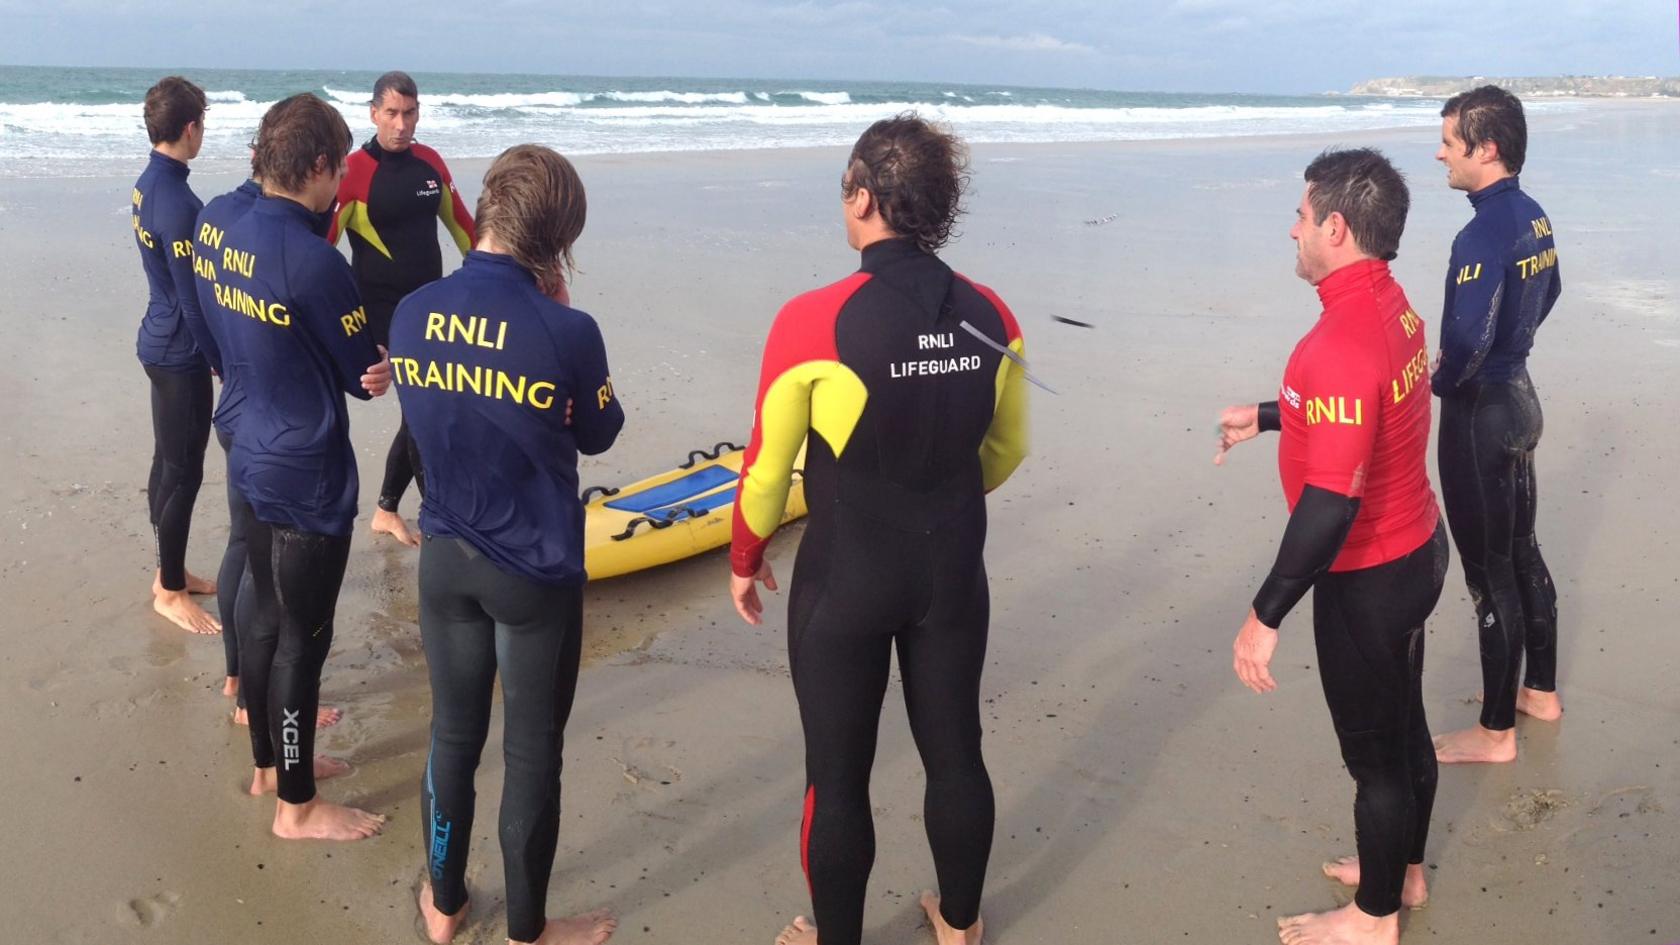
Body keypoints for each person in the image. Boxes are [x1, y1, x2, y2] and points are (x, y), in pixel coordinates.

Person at [728, 114, 1029, 945]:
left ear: (863, 197)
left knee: (837, 775)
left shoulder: (813, 321)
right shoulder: (991, 312)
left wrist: (745, 560)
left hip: (848, 577)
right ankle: (961, 924)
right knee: (956, 751)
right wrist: (936, 495)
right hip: (952, 572)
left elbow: (766, 472)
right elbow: (1007, 448)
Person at [390, 144, 622, 945]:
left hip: (445, 555)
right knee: (530, 756)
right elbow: (600, 430)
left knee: (452, 735)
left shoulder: (413, 311)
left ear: (485, 210)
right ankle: (527, 931)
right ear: (557, 244)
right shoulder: (568, 327)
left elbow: (423, 419)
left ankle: (445, 903)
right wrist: (553, 310)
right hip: (535, 572)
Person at [1216, 148, 1447, 945]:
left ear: (1337, 227)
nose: (1294, 228)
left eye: (1303, 216)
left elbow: (1328, 503)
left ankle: (1374, 917)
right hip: (1420, 546)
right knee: (1406, 724)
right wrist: (1269, 413)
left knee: (1376, 760)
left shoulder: (1340, 340)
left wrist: (1265, 610)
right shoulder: (1392, 303)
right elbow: (1366, 404)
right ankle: (1403, 870)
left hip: (1370, 578)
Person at [208, 92, 391, 841]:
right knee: (301, 638)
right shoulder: (316, 262)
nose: (342, 183)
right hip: (305, 471)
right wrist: (374, 371)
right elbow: (359, 372)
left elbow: (222, 323)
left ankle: (268, 767)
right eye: (339, 169)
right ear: (316, 167)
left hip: (247, 443)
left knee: (260, 610)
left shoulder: (220, 224)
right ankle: (298, 804)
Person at [1427, 86, 1563, 766]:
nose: (1440, 153)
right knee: (1525, 551)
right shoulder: (1533, 215)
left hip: (1480, 415)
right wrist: (1513, 348)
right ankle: (1540, 691)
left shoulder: (1479, 233)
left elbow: (1464, 339)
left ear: (1486, 149)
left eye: (1450, 142)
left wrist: (1440, 381)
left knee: (1490, 576)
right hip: (1521, 397)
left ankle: (1495, 730)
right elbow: (1552, 289)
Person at [193, 136, 343, 730]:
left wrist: (225, 366)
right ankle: (259, 701)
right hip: (284, 430)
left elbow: (197, 302)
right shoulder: (289, 242)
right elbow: (350, 365)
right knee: (281, 602)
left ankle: (240, 686)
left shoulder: (215, 218)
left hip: (238, 408)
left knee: (244, 549)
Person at [329, 70, 476, 548]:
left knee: (422, 412)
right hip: (383, 311)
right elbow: (319, 250)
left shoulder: (430, 163)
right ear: (373, 114)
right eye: (391, 113)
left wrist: (504, 280)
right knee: (426, 410)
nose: (401, 124)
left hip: (430, 308)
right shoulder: (353, 172)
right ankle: (441, 519)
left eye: (409, 113)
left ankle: (387, 510)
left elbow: (464, 230)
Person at [130, 75, 220, 635]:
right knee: (183, 471)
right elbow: (192, 298)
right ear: (190, 128)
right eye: (202, 125)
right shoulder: (180, 202)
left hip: (156, 339)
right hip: (180, 350)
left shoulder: (148, 182)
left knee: (166, 461)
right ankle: (168, 590)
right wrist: (220, 356)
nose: (202, 133)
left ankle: (171, 570)